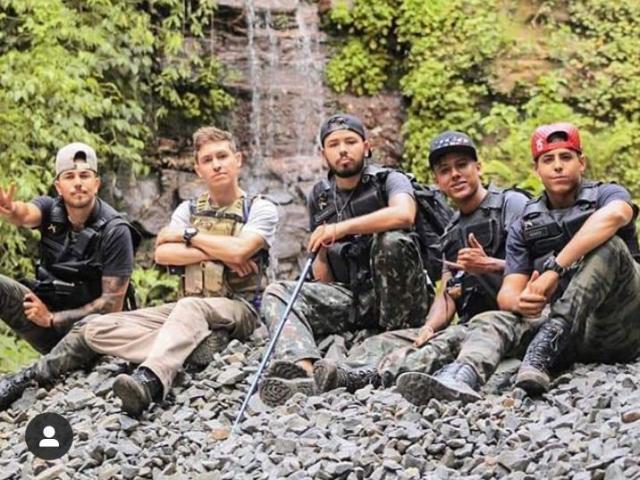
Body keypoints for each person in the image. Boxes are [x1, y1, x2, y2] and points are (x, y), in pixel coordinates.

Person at [2, 127, 279, 417]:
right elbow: (163, 252)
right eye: (208, 160)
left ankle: (151, 379)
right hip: (184, 312)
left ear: (238, 160)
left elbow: (239, 252)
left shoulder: (259, 208)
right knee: (95, 328)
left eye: (222, 156)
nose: (217, 164)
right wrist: (218, 248)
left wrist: (188, 238)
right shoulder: (189, 210)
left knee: (190, 306)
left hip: (239, 308)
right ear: (198, 169)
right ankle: (195, 345)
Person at [396, 122, 640, 404]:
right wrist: (523, 302)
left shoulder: (607, 194)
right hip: (575, 338)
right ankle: (462, 375)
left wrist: (554, 270)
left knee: (609, 245)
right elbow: (508, 292)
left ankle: (544, 345)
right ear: (537, 169)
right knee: (491, 319)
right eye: (548, 159)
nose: (558, 166)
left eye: (566, 157)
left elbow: (615, 216)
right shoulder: (526, 224)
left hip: (622, 324)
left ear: (581, 163)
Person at [313, 131, 529, 393]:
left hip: (517, 319)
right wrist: (428, 326)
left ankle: (380, 378)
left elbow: (543, 266)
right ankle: (334, 375)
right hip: (470, 322)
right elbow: (447, 294)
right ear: (438, 181)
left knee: (451, 340)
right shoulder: (450, 231)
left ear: (478, 167)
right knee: (389, 340)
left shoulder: (512, 204)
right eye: (445, 170)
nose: (455, 175)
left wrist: (491, 265)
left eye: (462, 165)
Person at [258, 113, 432, 406]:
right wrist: (322, 250)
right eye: (334, 144)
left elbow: (404, 214)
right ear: (322, 153)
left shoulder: (390, 179)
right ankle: (304, 368)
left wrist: (342, 228)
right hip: (353, 297)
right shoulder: (321, 196)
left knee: (391, 239)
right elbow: (324, 279)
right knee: (277, 291)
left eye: (350, 141)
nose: (343, 150)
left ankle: (393, 336)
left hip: (401, 301)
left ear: (366, 146)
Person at [0, 142, 137, 409]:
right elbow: (25, 213)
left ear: (96, 183)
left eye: (85, 176)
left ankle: (25, 379)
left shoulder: (116, 230)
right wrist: (10, 210)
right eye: (69, 176)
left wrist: (52, 319)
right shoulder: (50, 210)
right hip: (48, 322)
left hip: (96, 339)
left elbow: (111, 307)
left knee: (95, 325)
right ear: (58, 186)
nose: (77, 183)